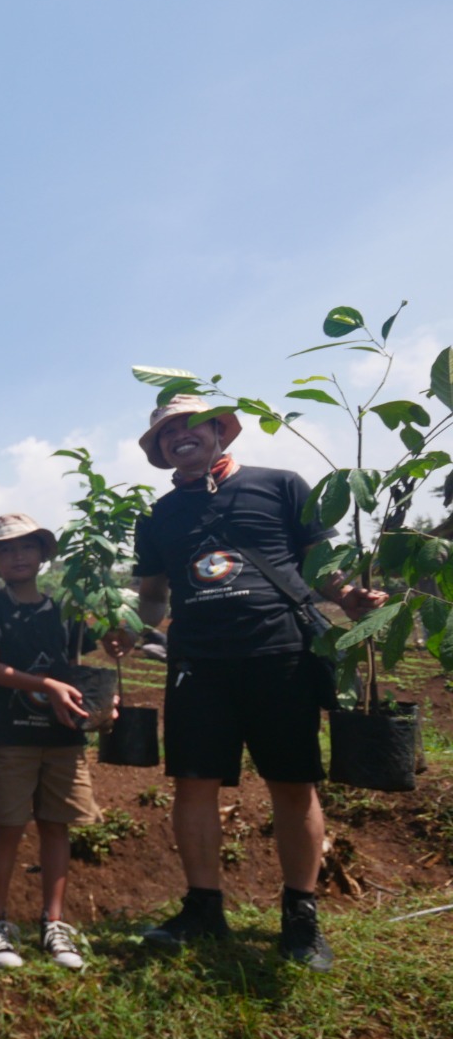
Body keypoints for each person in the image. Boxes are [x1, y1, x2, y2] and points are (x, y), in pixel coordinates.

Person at [125, 396, 384, 970]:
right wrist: (123, 631)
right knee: (193, 784)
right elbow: (152, 598)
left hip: (280, 657)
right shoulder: (159, 516)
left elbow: (322, 568)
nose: (177, 438)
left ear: (220, 429)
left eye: (188, 425)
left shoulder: (282, 485)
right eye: (165, 435)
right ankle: (203, 908)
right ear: (160, 451)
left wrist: (350, 598)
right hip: (198, 664)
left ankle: (300, 915)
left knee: (294, 785)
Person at [0, 513, 110, 971]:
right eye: (5, 549)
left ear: (43, 553)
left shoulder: (68, 608)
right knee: (7, 826)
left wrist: (114, 664)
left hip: (64, 736)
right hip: (11, 735)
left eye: (26, 546)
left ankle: (54, 923)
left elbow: (102, 649)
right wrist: (47, 685)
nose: (17, 556)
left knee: (56, 824)